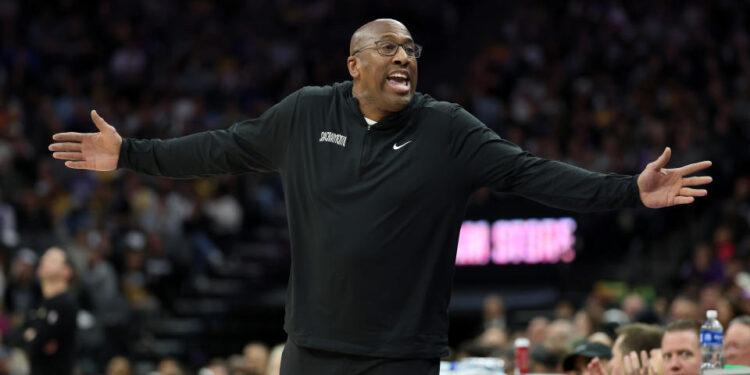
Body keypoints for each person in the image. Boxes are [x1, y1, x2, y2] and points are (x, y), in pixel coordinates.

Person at [49, 18, 713, 375]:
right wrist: (131, 153)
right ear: (354, 64)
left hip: (402, 354)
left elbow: (533, 173)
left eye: (412, 50)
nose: (405, 58)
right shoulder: (305, 114)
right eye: (388, 48)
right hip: (311, 348)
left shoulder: (448, 128)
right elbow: (219, 148)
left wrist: (630, 190)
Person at [23, 247, 78, 375]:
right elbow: (18, 335)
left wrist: (34, 335)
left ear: (67, 271)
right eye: (44, 258)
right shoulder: (37, 302)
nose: (44, 261)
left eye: (52, 260)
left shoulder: (67, 304)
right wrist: (34, 338)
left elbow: (39, 341)